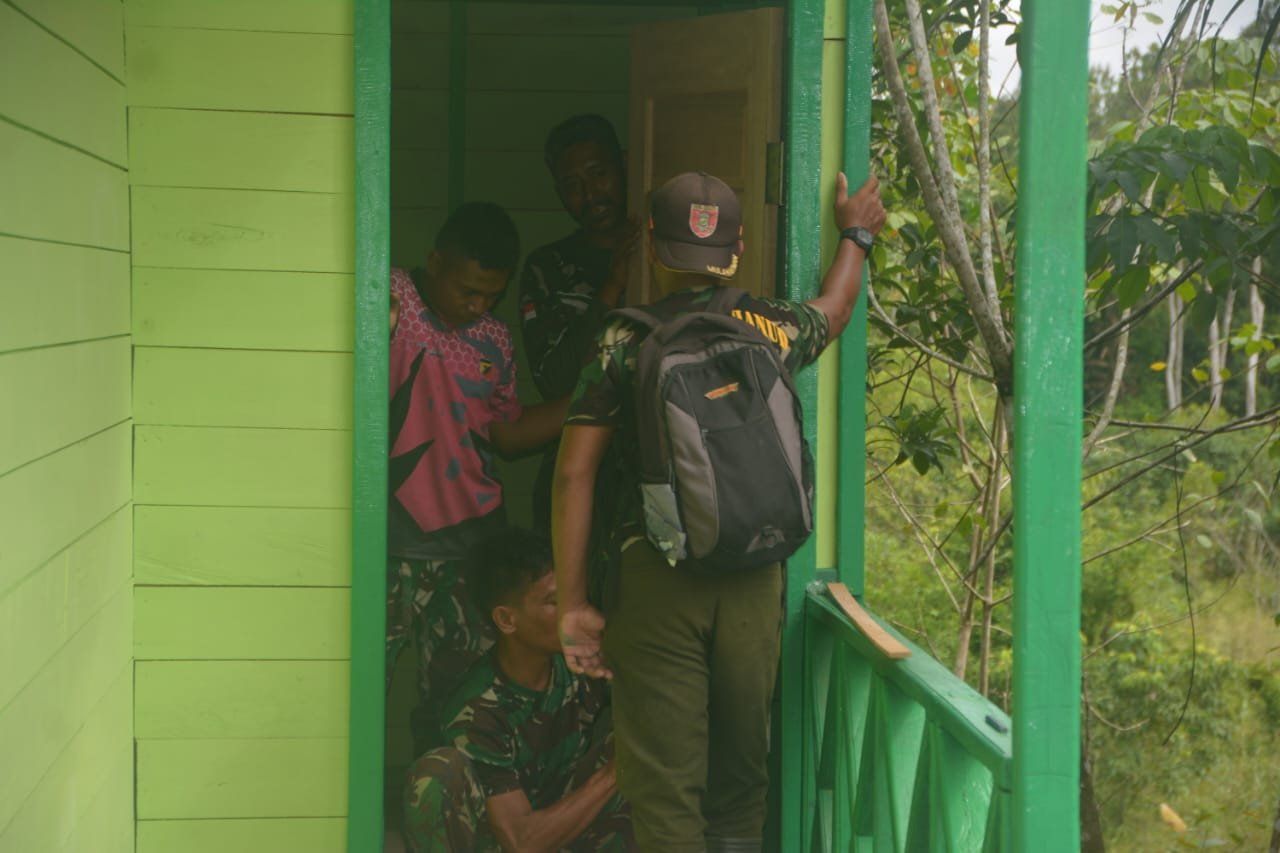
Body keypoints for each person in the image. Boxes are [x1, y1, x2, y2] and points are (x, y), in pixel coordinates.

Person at [551, 171, 886, 851]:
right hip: (755, 576)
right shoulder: (770, 326)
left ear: (651, 242)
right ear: (735, 247)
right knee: (740, 785)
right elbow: (839, 305)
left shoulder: (621, 340)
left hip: (658, 579)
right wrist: (855, 232)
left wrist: (573, 604)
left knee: (667, 793)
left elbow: (573, 473)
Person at [386, 201, 569, 748]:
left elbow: (507, 435)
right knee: (357, 684)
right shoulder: (395, 299)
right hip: (387, 542)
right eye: (468, 290)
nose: (478, 305)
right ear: (435, 262)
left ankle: (435, 822)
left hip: (468, 547)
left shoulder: (494, 339)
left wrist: (591, 396)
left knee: (452, 700)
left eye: (492, 294)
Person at [403, 529, 633, 852]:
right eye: (555, 602)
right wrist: (615, 773)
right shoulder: (475, 712)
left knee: (646, 733)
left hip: (567, 824)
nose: (572, 612)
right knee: (435, 773)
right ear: (507, 619)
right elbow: (522, 841)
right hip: (506, 841)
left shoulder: (579, 658)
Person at [518, 114, 636, 531]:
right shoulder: (547, 268)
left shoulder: (661, 247)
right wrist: (612, 288)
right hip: (576, 479)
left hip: (651, 477)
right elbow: (555, 380)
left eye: (599, 174)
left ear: (625, 164)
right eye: (572, 185)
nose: (589, 195)